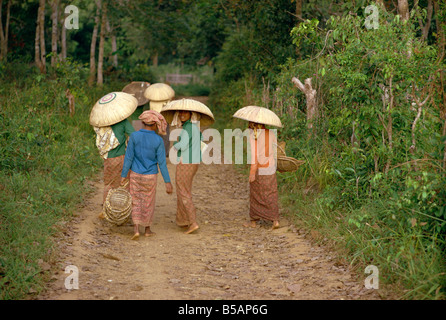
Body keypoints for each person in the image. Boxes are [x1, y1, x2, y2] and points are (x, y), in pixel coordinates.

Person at [120, 110, 173, 240]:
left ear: (143, 123)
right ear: (155, 124)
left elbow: (128, 157)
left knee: (136, 200)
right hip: (150, 176)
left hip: (135, 175)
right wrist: (167, 181)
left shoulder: (134, 136)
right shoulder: (158, 140)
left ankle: (136, 229)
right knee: (148, 202)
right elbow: (162, 163)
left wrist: (123, 175)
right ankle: (147, 230)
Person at [96, 118, 135, 219]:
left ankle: (105, 210)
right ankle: (121, 211)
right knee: (123, 183)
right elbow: (133, 134)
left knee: (108, 183)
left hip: (108, 158)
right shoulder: (123, 122)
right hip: (120, 156)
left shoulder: (103, 122)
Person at [244, 121, 280, 230]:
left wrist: (252, 172)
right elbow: (275, 151)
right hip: (270, 167)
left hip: (260, 168)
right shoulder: (271, 133)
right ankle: (275, 220)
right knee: (271, 192)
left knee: (255, 194)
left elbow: (255, 156)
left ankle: (253, 221)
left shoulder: (254, 136)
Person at [172, 110, 203, 234]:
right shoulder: (193, 127)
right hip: (194, 162)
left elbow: (182, 145)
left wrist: (175, 144)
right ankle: (183, 220)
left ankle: (192, 222)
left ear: (191, 114)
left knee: (183, 191)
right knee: (184, 189)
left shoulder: (188, 128)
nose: (182, 115)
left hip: (186, 162)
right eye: (180, 113)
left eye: (185, 113)